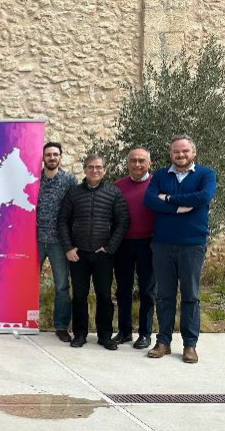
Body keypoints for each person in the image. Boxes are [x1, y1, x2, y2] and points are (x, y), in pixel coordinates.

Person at [143, 136, 216, 364]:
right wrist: (177, 208)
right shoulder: (160, 176)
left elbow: (203, 197)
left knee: (190, 296)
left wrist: (169, 198)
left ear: (193, 152)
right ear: (171, 154)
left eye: (185, 151)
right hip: (162, 244)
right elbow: (150, 200)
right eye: (176, 151)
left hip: (192, 245)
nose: (180, 155)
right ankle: (163, 341)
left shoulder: (206, 174)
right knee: (164, 296)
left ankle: (189, 345)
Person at [57, 155, 130, 350]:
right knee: (79, 296)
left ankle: (104, 335)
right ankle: (80, 334)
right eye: (90, 167)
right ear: (85, 169)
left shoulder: (113, 192)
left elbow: (123, 221)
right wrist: (68, 247)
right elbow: (62, 220)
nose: (94, 170)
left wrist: (110, 247)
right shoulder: (73, 193)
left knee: (104, 296)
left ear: (104, 170)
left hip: (103, 254)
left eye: (98, 167)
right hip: (78, 254)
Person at [113, 147, 156, 349]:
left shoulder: (157, 184)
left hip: (149, 243)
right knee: (123, 289)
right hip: (124, 244)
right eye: (133, 161)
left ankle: (145, 334)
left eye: (141, 160)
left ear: (149, 163)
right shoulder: (118, 186)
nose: (137, 164)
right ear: (128, 163)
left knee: (147, 290)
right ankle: (124, 332)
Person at [37, 142, 77, 342]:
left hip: (59, 242)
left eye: (55, 154)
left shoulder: (69, 180)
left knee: (61, 286)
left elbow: (75, 210)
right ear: (43, 157)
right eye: (48, 154)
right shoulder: (33, 179)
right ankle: (23, 320)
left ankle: (61, 326)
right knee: (26, 283)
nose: (52, 157)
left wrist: (72, 242)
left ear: (60, 157)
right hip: (33, 240)